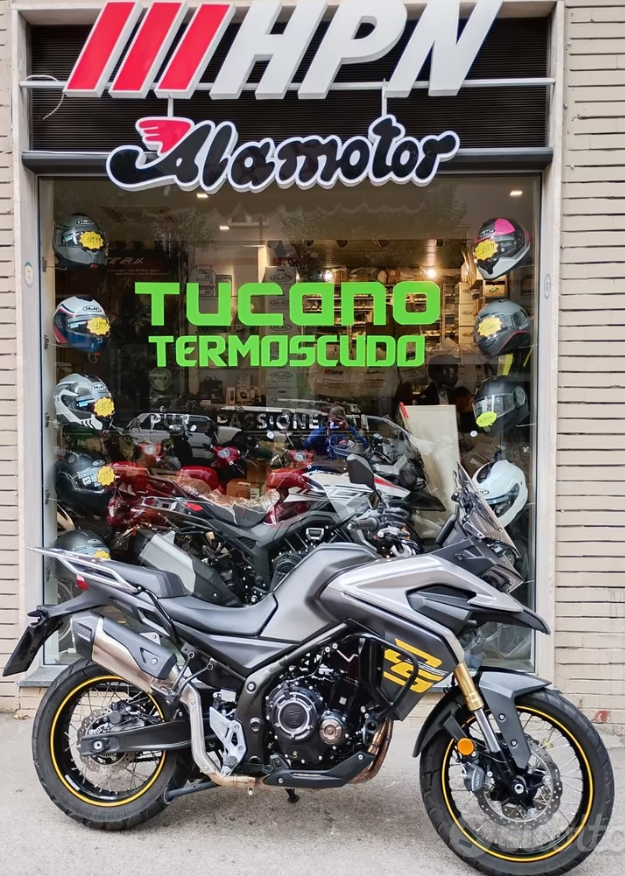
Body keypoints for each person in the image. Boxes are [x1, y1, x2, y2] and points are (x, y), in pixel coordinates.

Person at [304, 404, 369, 459]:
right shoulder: (322, 431)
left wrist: (349, 429)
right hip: (323, 464)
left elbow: (365, 446)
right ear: (328, 418)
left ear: (344, 419)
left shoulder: (349, 433)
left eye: (339, 419)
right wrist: (326, 430)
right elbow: (306, 445)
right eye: (334, 419)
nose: (336, 423)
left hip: (344, 465)